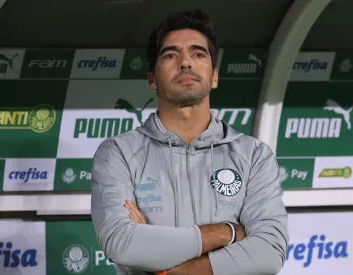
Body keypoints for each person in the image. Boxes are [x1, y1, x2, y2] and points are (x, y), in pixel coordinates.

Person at [90, 9, 289, 275]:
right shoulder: (119, 153)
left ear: (215, 76)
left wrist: (174, 266)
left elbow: (269, 251)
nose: (185, 62)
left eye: (198, 54)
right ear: (152, 79)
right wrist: (228, 233)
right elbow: (123, 243)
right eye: (170, 54)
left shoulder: (253, 156)